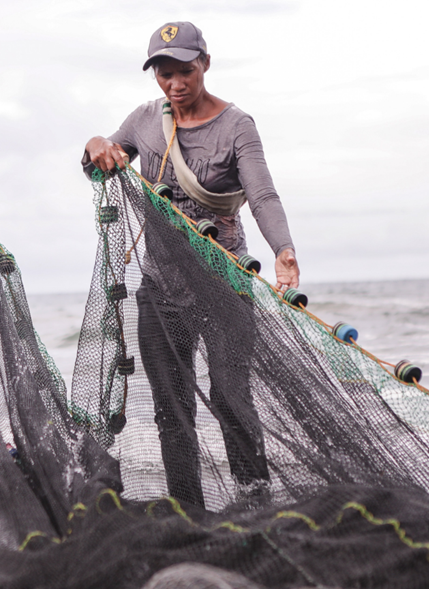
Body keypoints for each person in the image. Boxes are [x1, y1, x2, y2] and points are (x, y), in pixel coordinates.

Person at [83, 23, 300, 507]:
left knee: (230, 396)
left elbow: (262, 194)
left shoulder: (237, 125)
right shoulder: (144, 119)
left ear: (205, 62)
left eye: (185, 71)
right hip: (161, 289)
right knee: (171, 407)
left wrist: (284, 249)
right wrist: (95, 143)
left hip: (225, 282)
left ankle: (254, 500)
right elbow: (101, 159)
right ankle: (188, 510)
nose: (175, 84)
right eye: (164, 74)